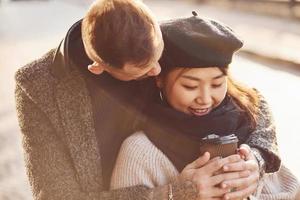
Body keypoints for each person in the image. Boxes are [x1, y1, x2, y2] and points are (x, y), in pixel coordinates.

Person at [14, 0, 202, 199]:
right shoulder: (36, 86)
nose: (157, 70)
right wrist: (174, 192)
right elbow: (57, 196)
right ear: (98, 67)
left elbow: (225, 106)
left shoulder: (165, 40)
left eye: (158, 56)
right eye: (143, 71)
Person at [110, 13, 300, 199]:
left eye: (217, 84)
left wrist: (257, 166)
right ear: (159, 78)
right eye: (190, 86)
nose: (205, 99)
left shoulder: (249, 120)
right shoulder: (140, 151)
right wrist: (179, 193)